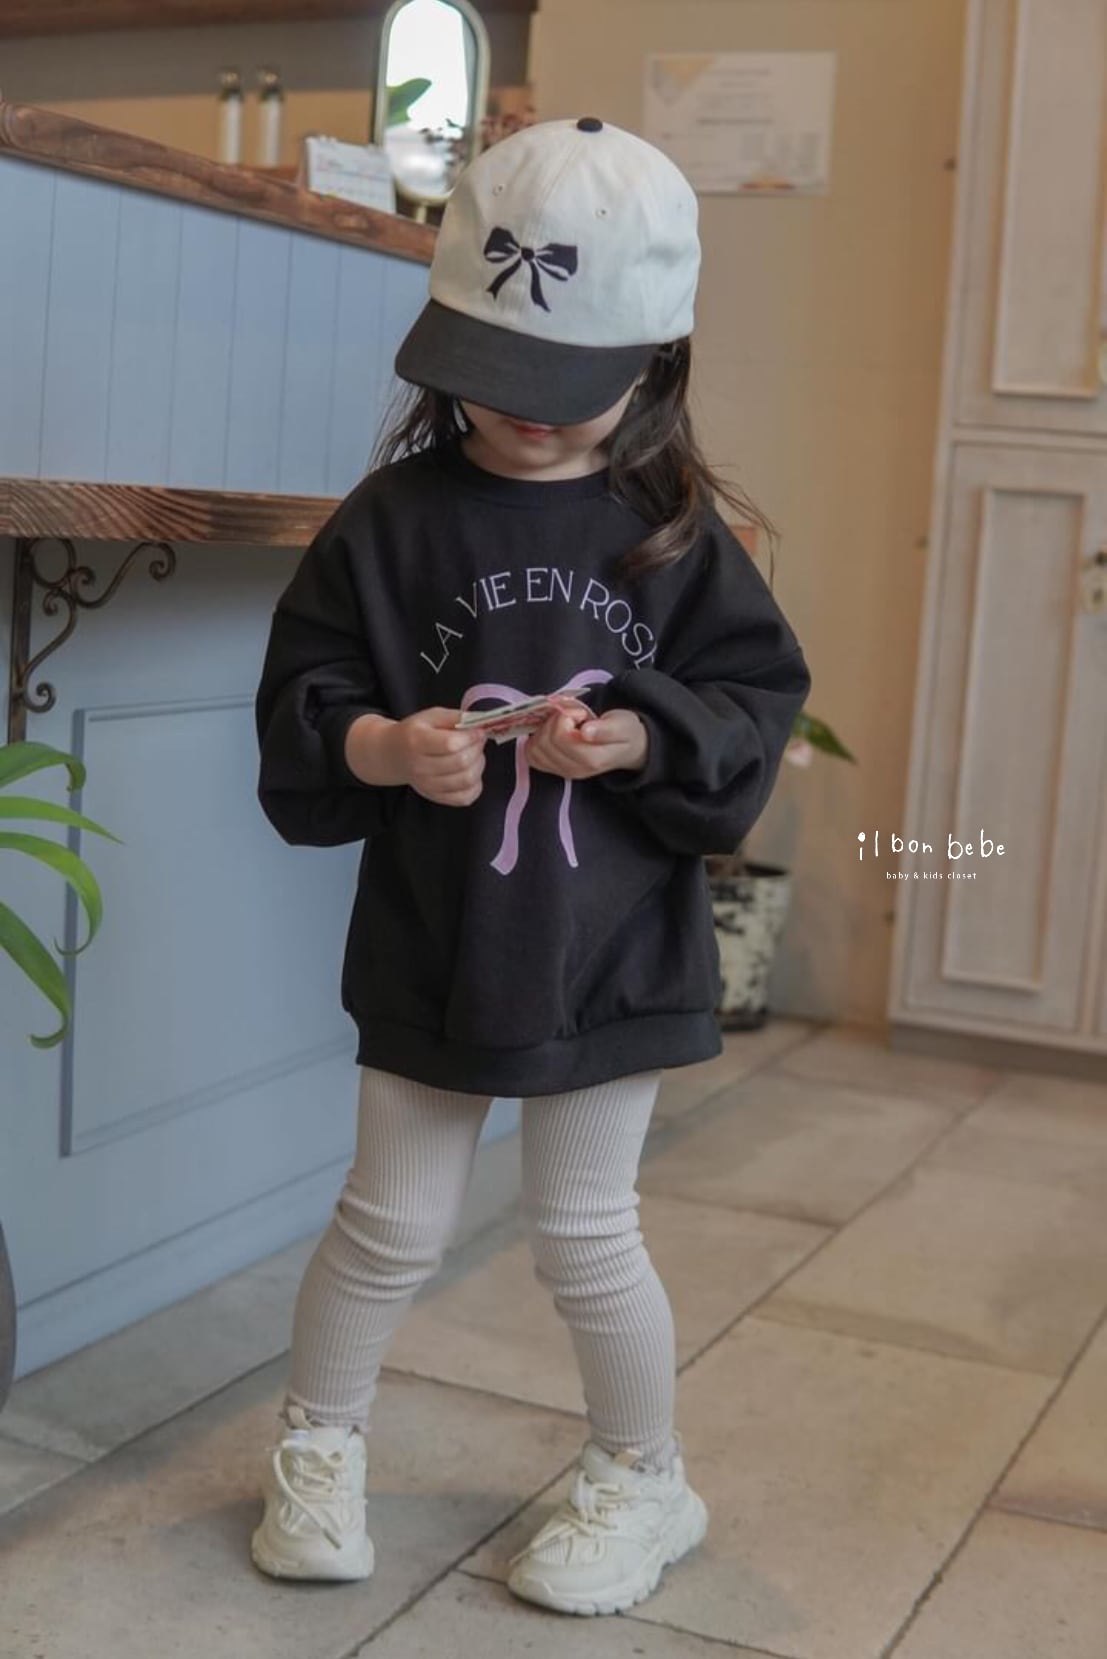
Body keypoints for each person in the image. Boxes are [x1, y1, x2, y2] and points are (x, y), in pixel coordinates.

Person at [250, 115, 812, 1616]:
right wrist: (386, 746)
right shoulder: (390, 522)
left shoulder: (672, 533)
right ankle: (318, 1446)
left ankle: (644, 1477)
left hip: (607, 944)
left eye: (566, 387)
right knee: (386, 1224)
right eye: (492, 375)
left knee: (583, 1234)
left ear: (656, 361)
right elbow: (306, 692)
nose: (524, 416)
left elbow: (755, 700)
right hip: (435, 934)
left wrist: (638, 739)